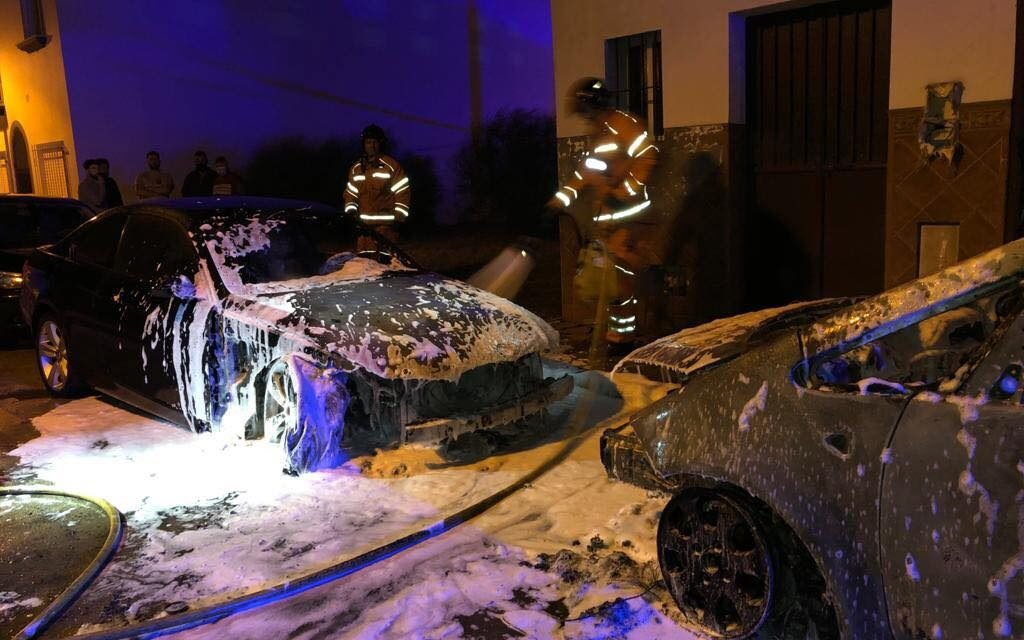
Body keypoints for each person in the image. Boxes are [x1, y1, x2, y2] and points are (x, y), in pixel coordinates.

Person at [547, 77, 659, 347]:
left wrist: (623, 193)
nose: (585, 118)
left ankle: (621, 338)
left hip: (628, 215)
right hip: (608, 217)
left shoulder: (623, 125)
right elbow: (586, 173)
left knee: (619, 279)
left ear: (595, 106)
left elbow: (648, 156)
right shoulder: (600, 133)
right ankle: (615, 334)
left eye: (585, 111)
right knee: (606, 278)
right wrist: (559, 201)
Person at [343, 124, 410, 241]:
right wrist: (351, 213)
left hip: (387, 229)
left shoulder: (392, 166)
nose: (372, 146)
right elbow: (350, 194)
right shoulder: (356, 168)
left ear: (381, 144)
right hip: (364, 230)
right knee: (364, 259)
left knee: (385, 259)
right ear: (364, 144)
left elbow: (403, 192)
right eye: (368, 142)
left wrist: (399, 219)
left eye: (375, 142)